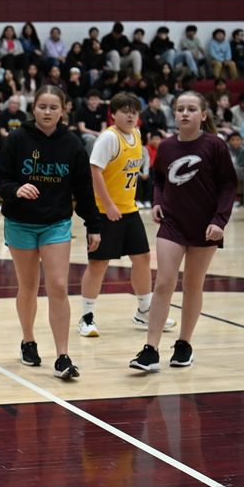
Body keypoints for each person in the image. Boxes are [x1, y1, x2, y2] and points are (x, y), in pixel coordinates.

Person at [0, 85, 101, 380]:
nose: (48, 112)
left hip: (56, 224)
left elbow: (84, 189)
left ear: (63, 110)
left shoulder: (73, 144)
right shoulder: (16, 139)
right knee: (28, 286)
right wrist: (15, 189)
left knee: (58, 286)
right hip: (20, 223)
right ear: (34, 108)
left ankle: (63, 356)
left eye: (54, 107)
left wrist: (93, 224)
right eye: (42, 106)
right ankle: (28, 341)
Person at [128, 92, 238, 372]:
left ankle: (183, 344)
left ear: (203, 115)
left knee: (192, 285)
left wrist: (219, 221)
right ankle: (150, 350)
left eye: (191, 109)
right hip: (172, 224)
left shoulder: (215, 146)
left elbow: (228, 186)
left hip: (206, 227)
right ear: (174, 114)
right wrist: (156, 202)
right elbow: (159, 178)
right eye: (180, 109)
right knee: (164, 283)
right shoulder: (165, 146)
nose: (185, 113)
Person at [78, 93, 176, 339]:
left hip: (129, 209)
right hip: (104, 211)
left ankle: (144, 310)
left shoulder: (136, 135)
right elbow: (95, 173)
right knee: (98, 264)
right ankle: (86, 317)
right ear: (113, 114)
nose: (131, 116)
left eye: (134, 112)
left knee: (142, 259)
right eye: (125, 111)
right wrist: (109, 205)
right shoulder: (108, 138)